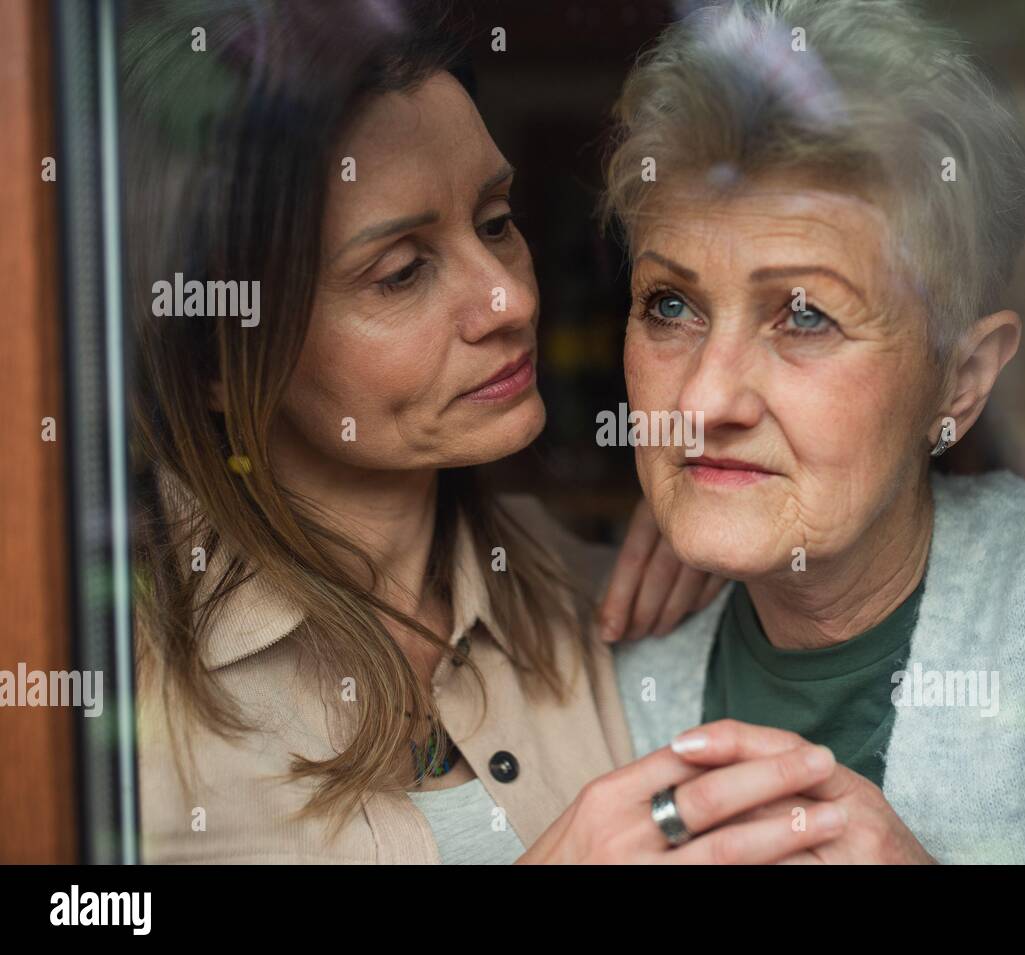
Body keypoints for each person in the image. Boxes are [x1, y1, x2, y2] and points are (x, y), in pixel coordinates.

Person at [127, 0, 843, 864]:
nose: (512, 301)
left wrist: (716, 511)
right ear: (213, 350)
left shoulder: (601, 600)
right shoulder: (93, 683)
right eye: (400, 273)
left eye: (497, 223)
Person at [606, 0, 1025, 863]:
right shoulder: (611, 679)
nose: (707, 398)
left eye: (805, 317)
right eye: (669, 305)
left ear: (962, 381)